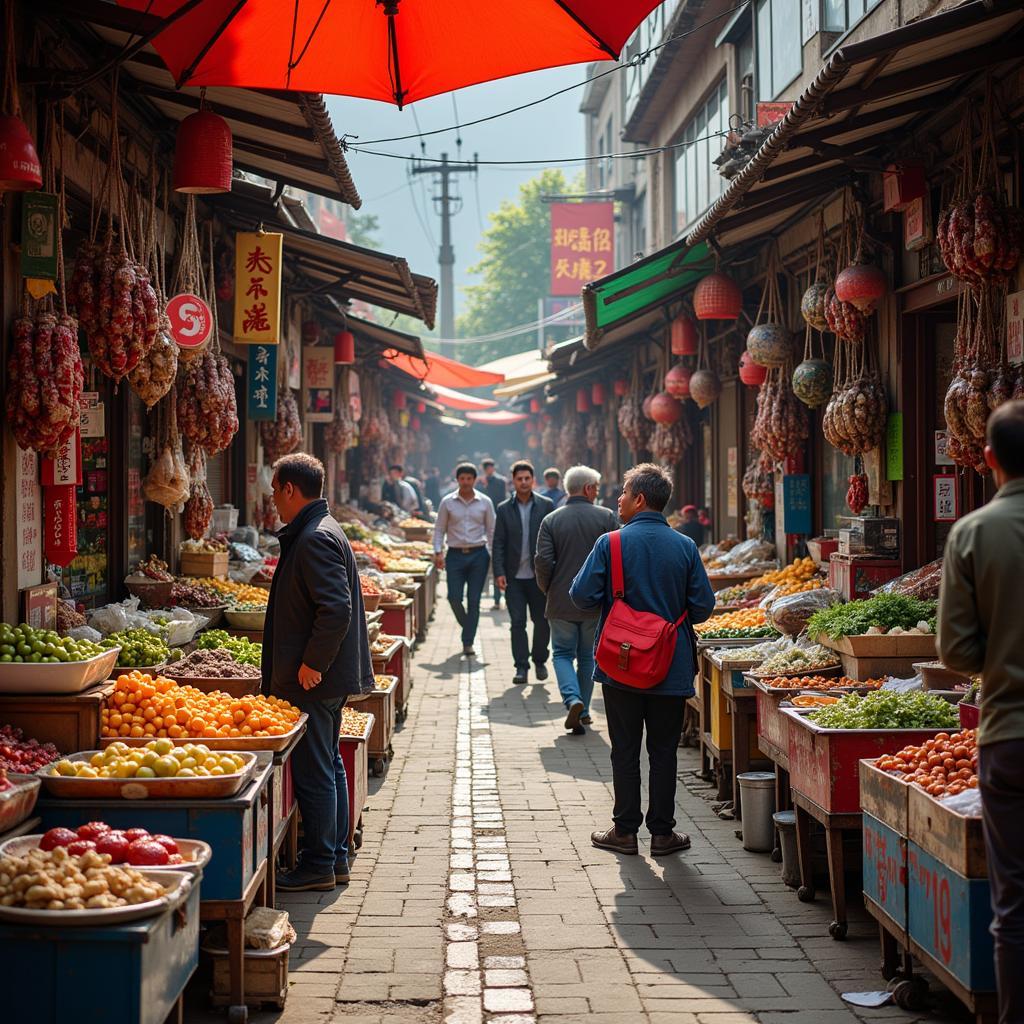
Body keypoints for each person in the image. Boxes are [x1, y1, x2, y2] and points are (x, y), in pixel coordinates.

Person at [570, 463, 715, 857]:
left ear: (639, 499)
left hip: (622, 664)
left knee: (625, 749)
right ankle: (663, 835)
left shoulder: (611, 544)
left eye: (623, 492)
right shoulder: (685, 546)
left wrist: (616, 600)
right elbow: (703, 606)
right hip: (670, 663)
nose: (617, 499)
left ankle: (625, 831)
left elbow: (580, 595)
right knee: (664, 750)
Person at [938, 400, 1024, 1023]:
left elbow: (958, 651)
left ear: (988, 458)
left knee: (1014, 903)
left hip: (1010, 737)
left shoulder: (972, 532)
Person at [262, 453, 373, 892]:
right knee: (328, 764)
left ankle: (319, 864)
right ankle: (336, 858)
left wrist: (311, 664)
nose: (273, 500)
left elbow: (336, 609)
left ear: (290, 489)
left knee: (315, 770)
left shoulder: (314, 537)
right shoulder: (320, 529)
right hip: (320, 676)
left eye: (275, 491)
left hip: (314, 678)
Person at [535, 465, 617, 735]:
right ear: (588, 489)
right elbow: (617, 560)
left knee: (561, 653)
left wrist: (547, 588)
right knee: (587, 656)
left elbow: (543, 561)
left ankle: (573, 700)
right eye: (596, 486)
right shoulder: (606, 517)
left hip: (560, 599)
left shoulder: (551, 520)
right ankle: (582, 711)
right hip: (594, 602)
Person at [492, 461, 553, 685]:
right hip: (514, 577)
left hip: (540, 577)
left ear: (533, 480)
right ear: (513, 481)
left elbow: (553, 540)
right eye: (520, 479)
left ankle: (539, 660)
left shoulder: (547, 505)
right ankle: (521, 667)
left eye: (528, 478)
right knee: (517, 622)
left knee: (541, 621)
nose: (524, 482)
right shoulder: (504, 509)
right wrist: (498, 571)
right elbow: (498, 543)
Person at [433, 462, 496, 658]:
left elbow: (492, 530)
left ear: (475, 480)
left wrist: (494, 557)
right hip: (455, 555)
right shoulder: (447, 502)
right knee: (453, 597)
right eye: (462, 478)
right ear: (457, 479)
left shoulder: (485, 502)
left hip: (479, 555)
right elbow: (439, 529)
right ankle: (469, 625)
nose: (466, 482)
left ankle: (467, 641)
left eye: (469, 478)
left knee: (474, 600)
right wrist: (438, 551)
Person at [478, 459, 509, 609]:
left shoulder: (501, 481)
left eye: (490, 468)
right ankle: (486, 593)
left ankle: (498, 598)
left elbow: (501, 500)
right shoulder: (480, 482)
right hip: (484, 525)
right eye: (487, 468)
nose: (489, 470)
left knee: (498, 562)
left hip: (497, 522)